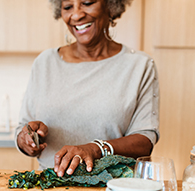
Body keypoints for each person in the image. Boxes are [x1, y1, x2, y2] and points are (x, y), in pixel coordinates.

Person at [15, 0, 159, 177]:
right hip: (51, 187)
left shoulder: (139, 66)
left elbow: (145, 140)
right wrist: (27, 140)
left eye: (87, 3)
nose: (76, 15)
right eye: (68, 7)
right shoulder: (45, 63)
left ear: (110, 5)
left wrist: (96, 149)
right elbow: (23, 127)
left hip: (115, 188)